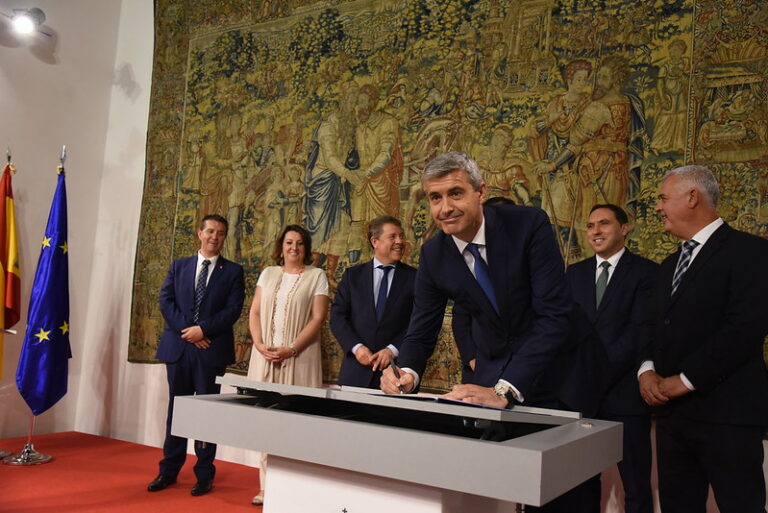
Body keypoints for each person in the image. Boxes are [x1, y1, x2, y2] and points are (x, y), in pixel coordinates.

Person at [639, 165, 768, 513]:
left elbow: (744, 328)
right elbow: (651, 325)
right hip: (672, 418)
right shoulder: (668, 265)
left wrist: (685, 380)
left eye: (663, 198)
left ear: (692, 197)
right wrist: (646, 370)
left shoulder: (752, 253)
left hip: (728, 416)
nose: (658, 207)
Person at [562, 204, 657, 513]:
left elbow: (641, 332)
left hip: (625, 397)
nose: (595, 231)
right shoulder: (574, 274)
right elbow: (565, 330)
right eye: (590, 226)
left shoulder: (647, 272)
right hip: (581, 399)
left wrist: (596, 373)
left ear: (624, 228)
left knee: (636, 485)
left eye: (604, 224)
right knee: (582, 483)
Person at [148, 214, 245, 497]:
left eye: (221, 233)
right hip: (179, 349)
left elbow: (233, 309)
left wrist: (203, 330)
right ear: (199, 233)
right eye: (210, 231)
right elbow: (165, 301)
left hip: (211, 352)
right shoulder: (179, 266)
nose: (215, 236)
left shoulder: (233, 271)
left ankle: (204, 474)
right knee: (177, 412)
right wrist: (189, 332)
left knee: (206, 414)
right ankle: (168, 470)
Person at [246, 224, 329, 506]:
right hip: (265, 357)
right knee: (265, 422)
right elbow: (254, 312)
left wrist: (292, 349)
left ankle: (296, 489)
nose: (294, 248)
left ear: (306, 249)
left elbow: (318, 318)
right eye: (289, 242)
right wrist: (259, 344)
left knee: (297, 423)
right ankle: (266, 487)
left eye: (300, 243)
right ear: (281, 247)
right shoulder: (268, 273)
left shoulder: (317, 276)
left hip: (300, 358)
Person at [331, 215, 416, 389]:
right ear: (375, 241)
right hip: (355, 373)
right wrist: (357, 347)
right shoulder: (353, 276)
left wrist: (392, 350)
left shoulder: (415, 278)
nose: (400, 241)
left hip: (396, 376)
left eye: (401, 236)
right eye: (393, 237)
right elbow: (337, 317)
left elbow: (418, 321)